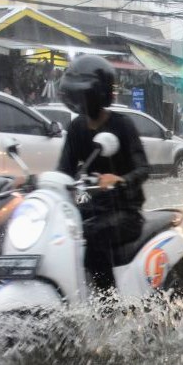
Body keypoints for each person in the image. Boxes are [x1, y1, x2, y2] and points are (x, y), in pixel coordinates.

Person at [56, 54, 150, 293]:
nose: (81, 102)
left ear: (99, 94)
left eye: (84, 94)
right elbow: (63, 170)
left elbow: (143, 168)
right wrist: (38, 183)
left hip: (125, 212)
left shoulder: (122, 125)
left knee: (92, 237)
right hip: (90, 208)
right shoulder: (76, 127)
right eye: (76, 95)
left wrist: (120, 180)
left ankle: (107, 305)